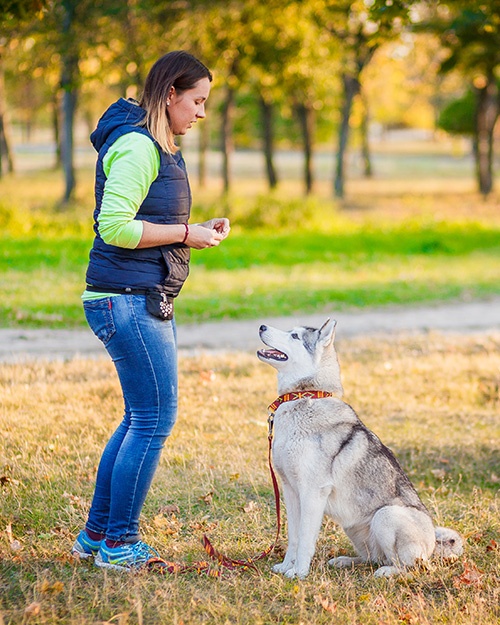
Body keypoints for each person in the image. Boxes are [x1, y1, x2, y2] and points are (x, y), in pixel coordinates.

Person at [71, 51, 230, 571]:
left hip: (132, 295)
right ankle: (119, 544)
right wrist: (189, 234)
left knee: (139, 418)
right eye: (197, 100)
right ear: (170, 94)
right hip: (129, 300)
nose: (202, 112)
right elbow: (114, 225)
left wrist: (195, 229)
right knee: (154, 421)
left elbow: (145, 216)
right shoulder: (139, 146)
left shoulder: (155, 145)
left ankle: (96, 536)